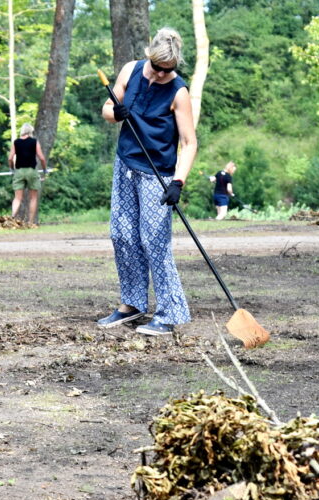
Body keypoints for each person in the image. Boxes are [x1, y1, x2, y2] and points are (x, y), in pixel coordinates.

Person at [97, 27, 197, 337]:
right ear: (148, 56)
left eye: (169, 69)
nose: (161, 74)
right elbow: (106, 110)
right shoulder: (130, 70)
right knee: (123, 236)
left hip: (158, 174)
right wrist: (116, 113)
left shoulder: (178, 92)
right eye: (157, 66)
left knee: (155, 242)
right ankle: (132, 304)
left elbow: (189, 142)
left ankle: (169, 313)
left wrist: (178, 182)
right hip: (126, 164)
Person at [8, 123, 47, 224]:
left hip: (19, 171)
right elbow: (42, 158)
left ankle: (12, 217)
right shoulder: (34, 142)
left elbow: (10, 158)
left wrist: (12, 169)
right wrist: (44, 170)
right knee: (33, 198)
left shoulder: (16, 142)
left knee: (17, 198)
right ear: (30, 131)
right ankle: (30, 222)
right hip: (31, 171)